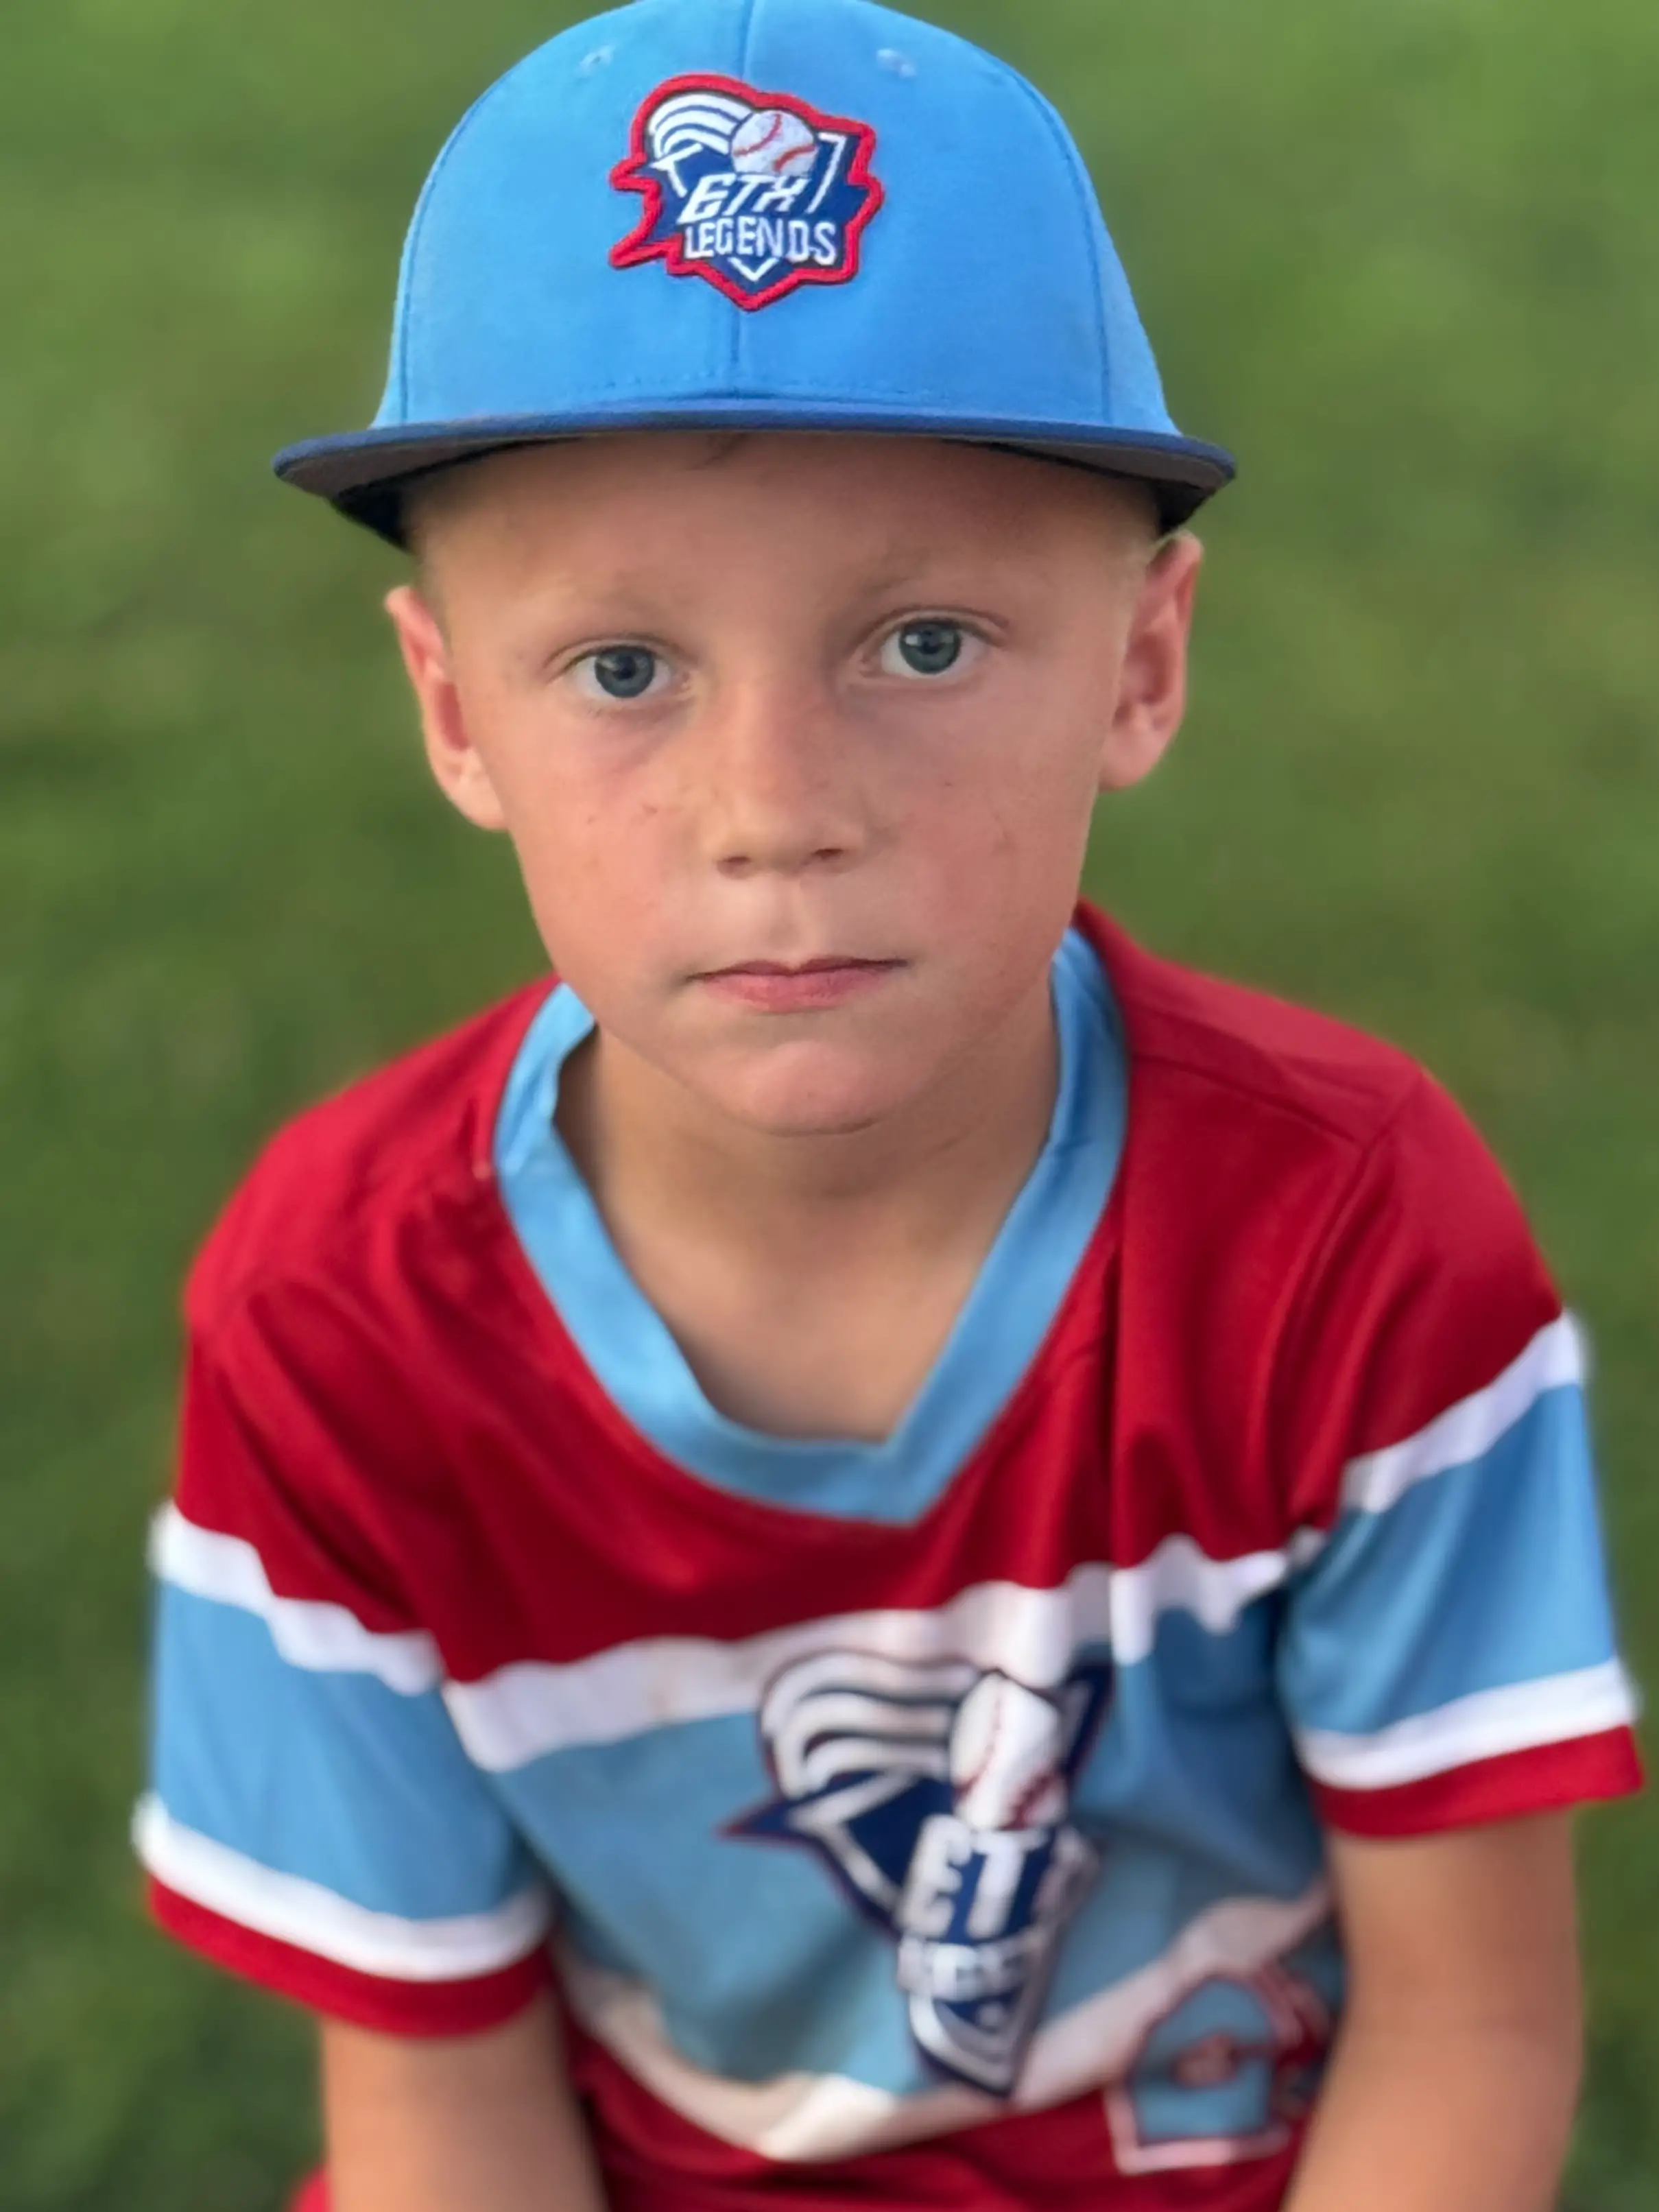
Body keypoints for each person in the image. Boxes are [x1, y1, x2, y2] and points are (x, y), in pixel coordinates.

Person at [136, 2, 1642, 2208]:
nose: (777, 809)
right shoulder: (337, 1318)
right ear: (454, 713)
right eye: (624, 669)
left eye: (923, 643)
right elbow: (443, 2109)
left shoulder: (1347, 1231)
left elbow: (1473, 2020)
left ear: (1142, 663)